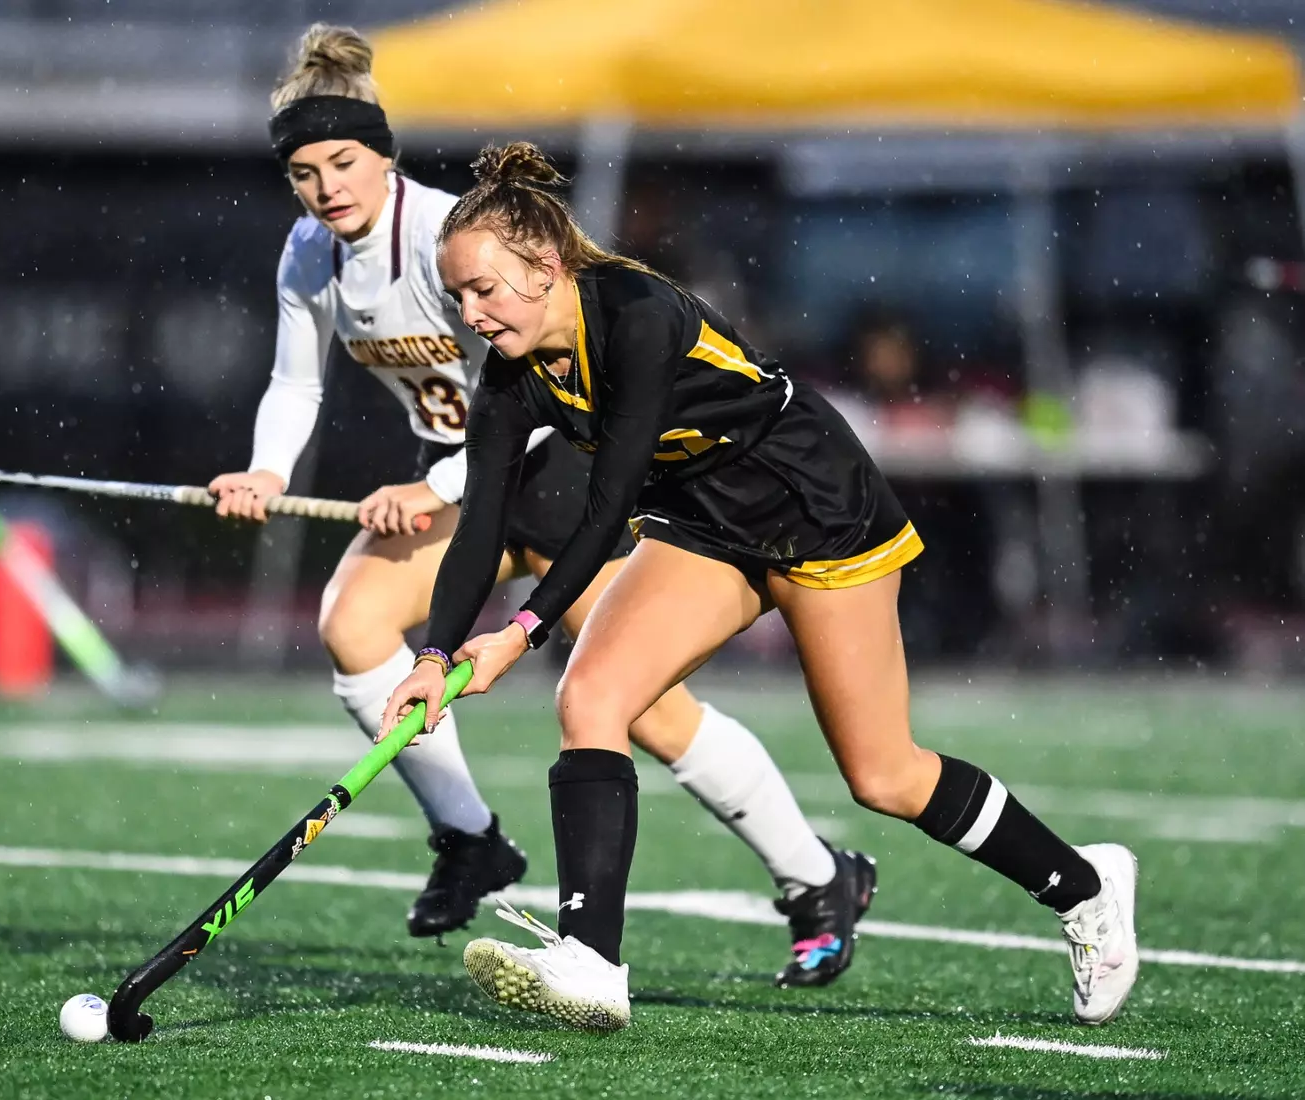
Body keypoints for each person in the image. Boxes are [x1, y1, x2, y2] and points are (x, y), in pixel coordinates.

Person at [381, 143, 1140, 1032]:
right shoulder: (510, 381)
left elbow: (610, 499)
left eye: (485, 290)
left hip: (813, 506)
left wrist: (521, 630)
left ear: (546, 267)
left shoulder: (635, 315)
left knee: (885, 776)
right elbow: (481, 523)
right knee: (592, 697)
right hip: (705, 522)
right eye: (459, 296)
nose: (472, 314)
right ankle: (591, 962)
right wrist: (435, 652)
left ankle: (1086, 888)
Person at [208, 25, 877, 981]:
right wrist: (267, 471)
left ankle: (816, 876)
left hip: (556, 474)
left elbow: (526, 402)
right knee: (353, 626)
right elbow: (296, 387)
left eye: (344, 162)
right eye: (305, 173)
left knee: (644, 710)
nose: (327, 189)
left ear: (384, 153)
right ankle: (471, 837)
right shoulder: (309, 255)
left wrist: (430, 486)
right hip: (463, 488)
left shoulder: (452, 246)